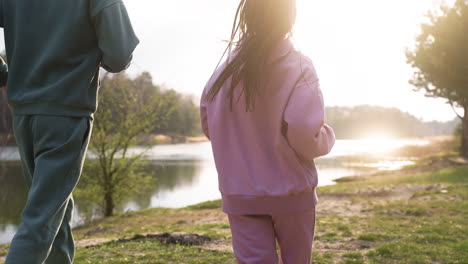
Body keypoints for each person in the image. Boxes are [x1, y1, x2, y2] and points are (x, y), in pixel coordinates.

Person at [0, 0, 139, 263]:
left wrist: (3, 76)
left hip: (23, 113)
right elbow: (119, 55)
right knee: (40, 222)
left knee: (56, 216)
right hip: (65, 113)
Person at [200, 0, 335, 263]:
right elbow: (305, 137)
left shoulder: (222, 72)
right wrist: (327, 138)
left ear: (247, 18)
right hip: (292, 194)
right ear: (290, 18)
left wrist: (240, 148)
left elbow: (210, 125)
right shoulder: (299, 67)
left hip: (241, 195)